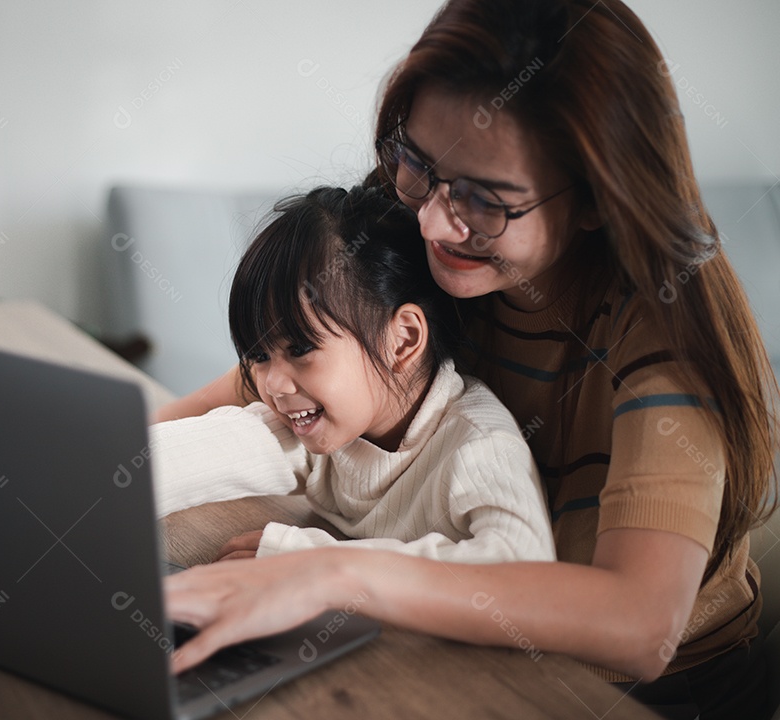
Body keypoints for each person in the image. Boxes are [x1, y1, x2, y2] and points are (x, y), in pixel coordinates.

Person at [156, 1, 778, 717]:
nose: (429, 219)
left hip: (646, 696)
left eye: (486, 200)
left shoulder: (660, 345)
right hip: (467, 644)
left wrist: (332, 573)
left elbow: (639, 626)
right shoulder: (434, 237)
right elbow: (278, 374)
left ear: (597, 199)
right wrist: (109, 460)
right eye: (416, 162)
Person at [150, 185, 556, 565]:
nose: (272, 384)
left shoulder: (479, 447)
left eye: (301, 349)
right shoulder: (315, 423)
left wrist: (310, 558)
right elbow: (184, 456)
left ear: (402, 341)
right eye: (259, 355)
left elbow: (521, 566)